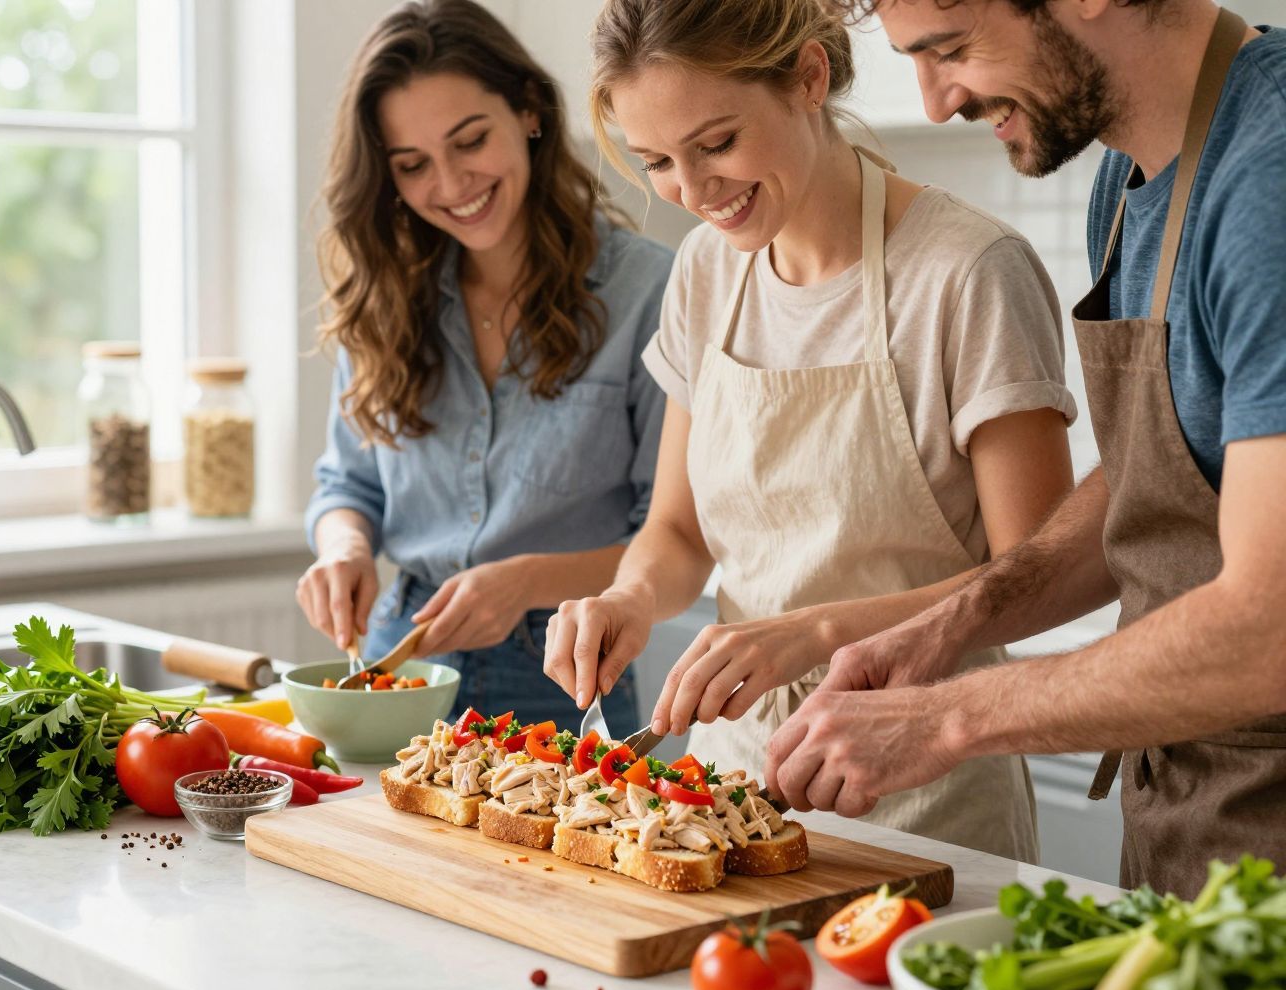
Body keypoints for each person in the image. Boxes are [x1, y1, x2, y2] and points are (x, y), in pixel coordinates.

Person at [765, 0, 1286, 897]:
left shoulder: (1268, 184)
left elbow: (1269, 628)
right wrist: (954, 626)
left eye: (951, 50)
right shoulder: (1129, 178)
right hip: (1194, 831)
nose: (934, 102)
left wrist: (951, 718)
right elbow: (1155, 482)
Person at [543, 0, 1077, 860]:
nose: (694, 191)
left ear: (808, 77)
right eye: (657, 163)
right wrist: (630, 598)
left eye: (716, 143)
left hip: (923, 781)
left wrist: (819, 633)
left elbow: (1041, 577)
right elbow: (676, 535)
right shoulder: (705, 272)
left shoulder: (966, 272)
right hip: (726, 787)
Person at [299, 0, 673, 733]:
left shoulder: (647, 291)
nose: (451, 184)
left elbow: (671, 534)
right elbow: (347, 484)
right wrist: (344, 547)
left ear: (529, 110)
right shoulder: (384, 298)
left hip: (563, 674)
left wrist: (528, 582)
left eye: (470, 141)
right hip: (399, 660)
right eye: (412, 166)